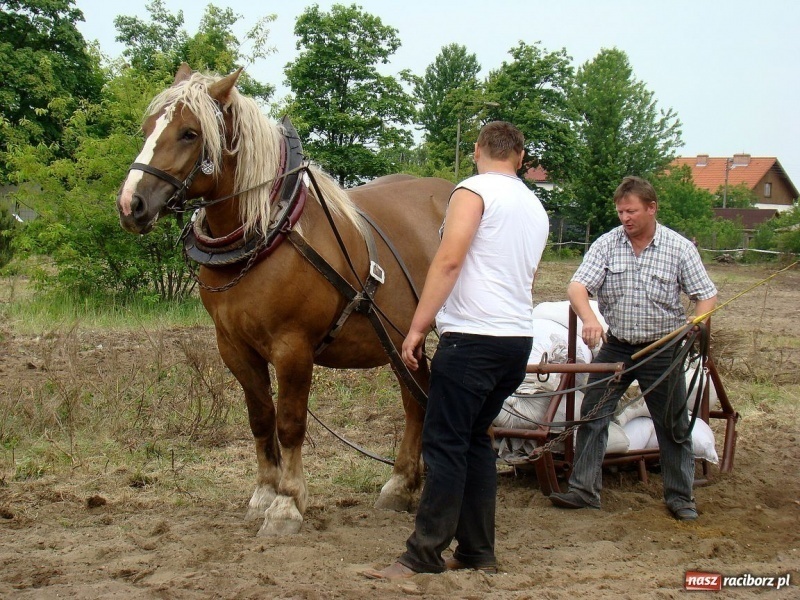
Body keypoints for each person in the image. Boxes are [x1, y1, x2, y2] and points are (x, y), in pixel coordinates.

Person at [363, 121, 549, 579]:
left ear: (476, 151)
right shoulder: (533, 204)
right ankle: (477, 551)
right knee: (474, 444)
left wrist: (417, 327)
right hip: (515, 339)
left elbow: (448, 261)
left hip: (472, 339)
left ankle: (422, 555)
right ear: (520, 158)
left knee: (443, 444)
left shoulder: (472, 192)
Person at [549, 175, 717, 521]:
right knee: (593, 413)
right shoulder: (607, 244)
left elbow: (706, 295)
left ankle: (680, 498)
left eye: (632, 211)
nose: (625, 218)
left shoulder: (679, 247)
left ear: (651, 208)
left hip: (663, 348)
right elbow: (578, 287)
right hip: (617, 348)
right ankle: (583, 490)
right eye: (621, 212)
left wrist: (695, 325)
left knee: (672, 425)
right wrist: (589, 319)